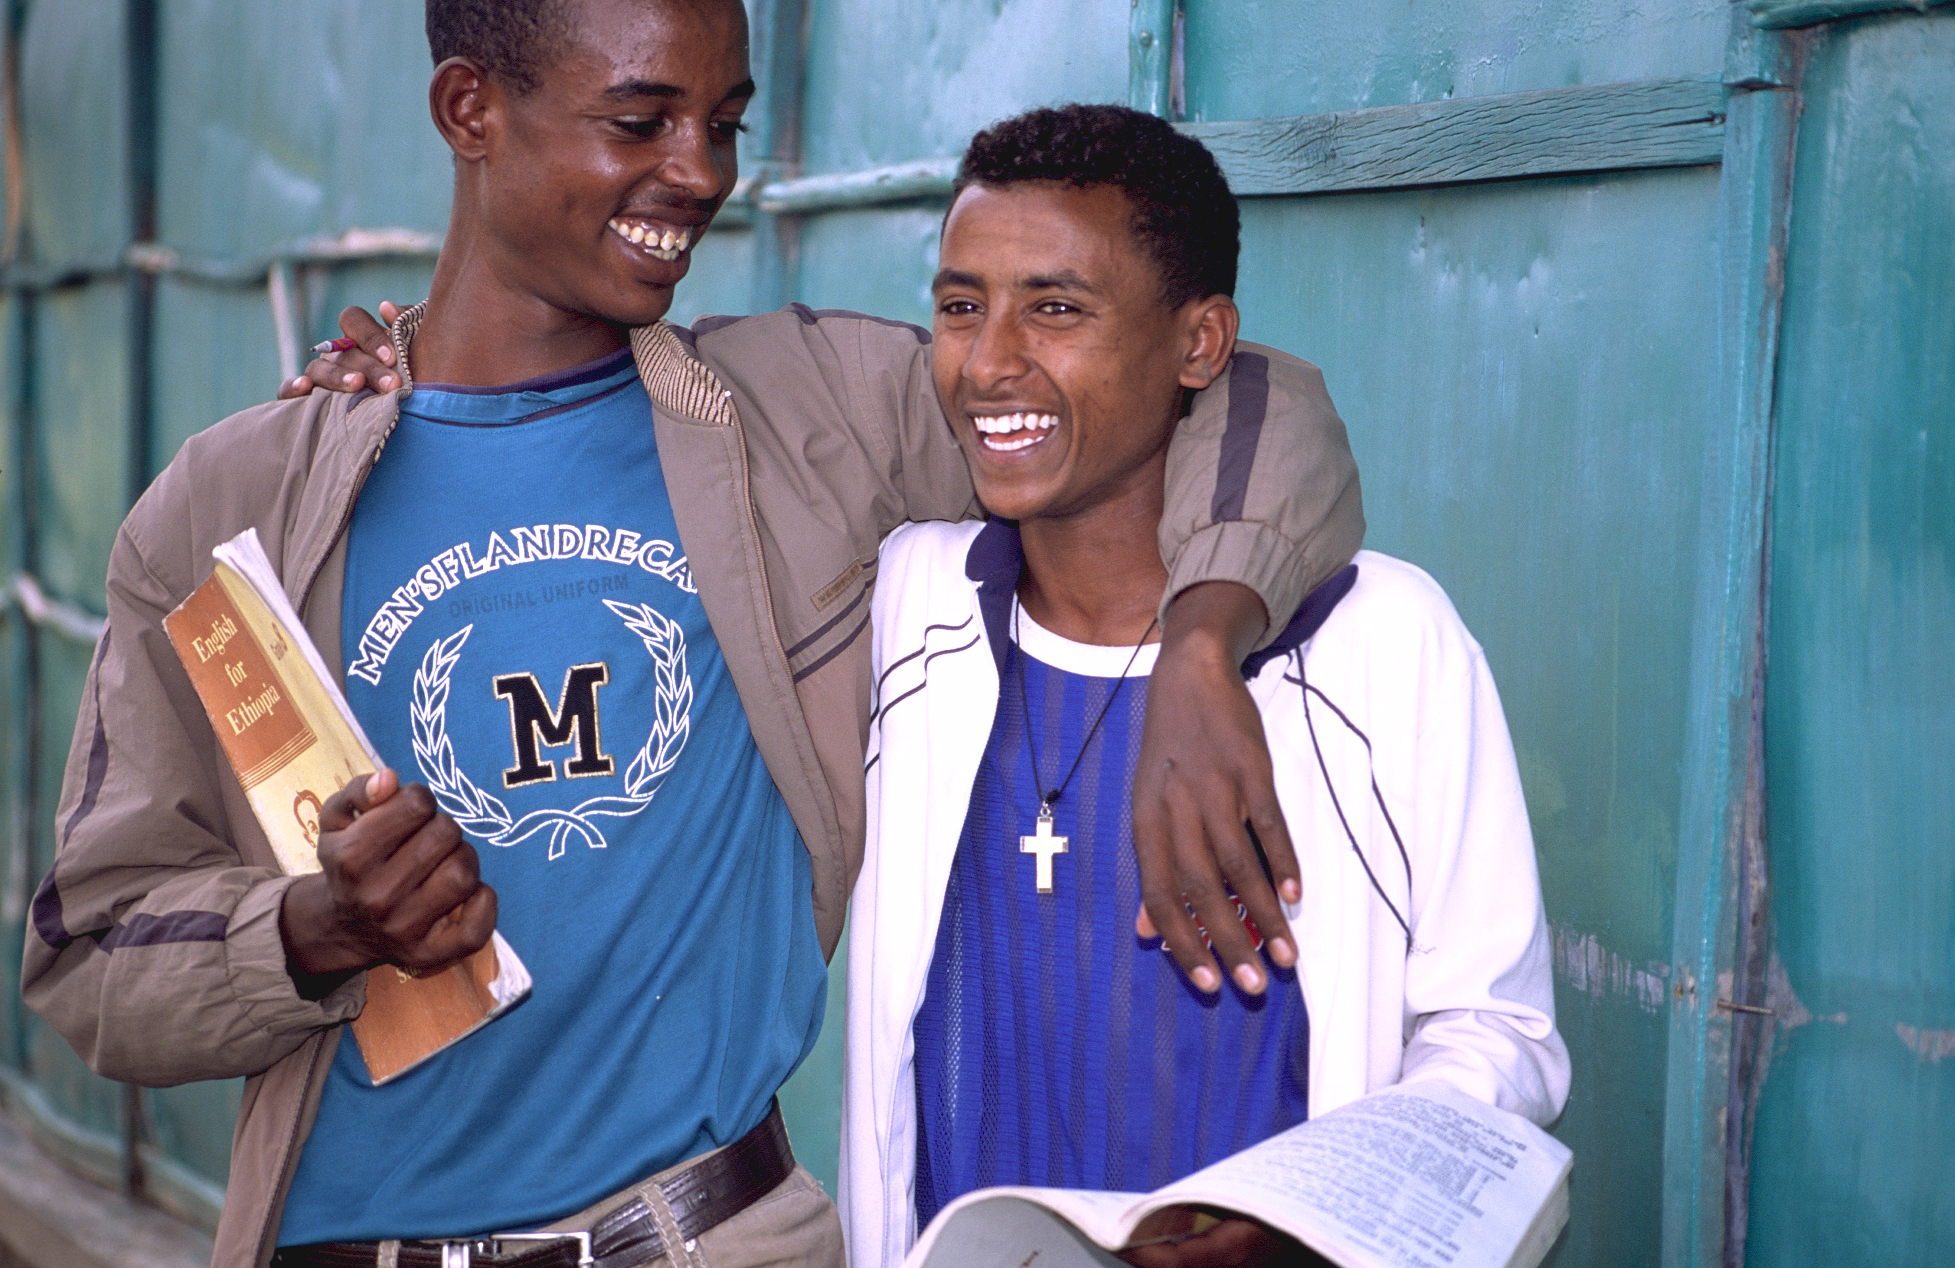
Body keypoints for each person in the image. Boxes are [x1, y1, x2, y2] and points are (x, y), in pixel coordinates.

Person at [21, 5, 1365, 1268]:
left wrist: (1203, 638)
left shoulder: (809, 414)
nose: (699, 171)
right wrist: (312, 929)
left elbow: (1238, 393)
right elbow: (90, 951)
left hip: (711, 1235)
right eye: (640, 120)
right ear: (468, 106)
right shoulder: (241, 504)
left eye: (722, 120)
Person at [838, 104, 1570, 1268]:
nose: (987, 360)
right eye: (960, 303)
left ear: (1198, 345)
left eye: (1057, 306)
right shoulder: (901, 606)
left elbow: (1496, 1028)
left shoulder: (1380, 639)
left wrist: (1313, 1218)